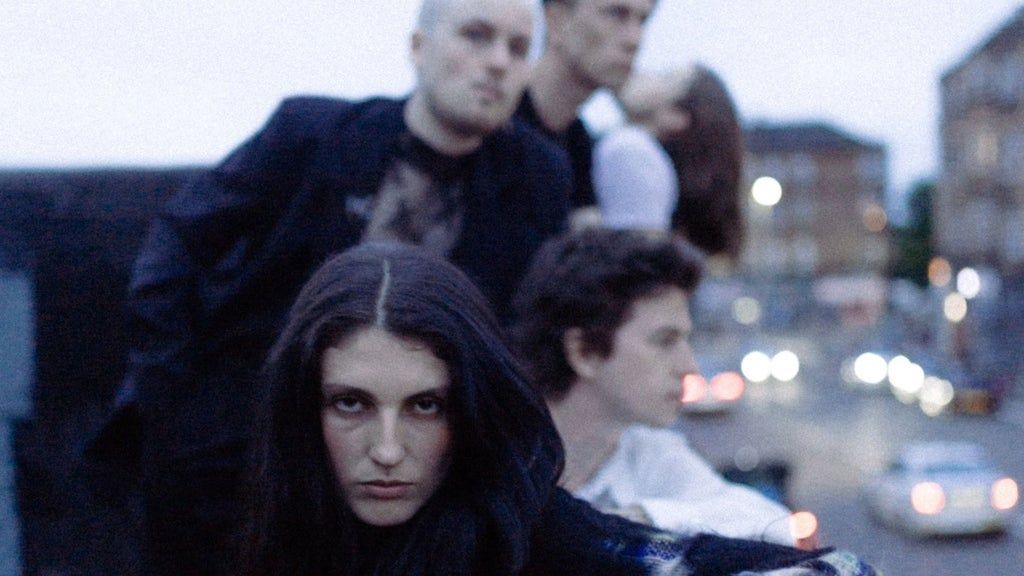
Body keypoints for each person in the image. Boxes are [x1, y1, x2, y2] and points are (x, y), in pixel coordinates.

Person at [91, 0, 573, 573]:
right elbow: (180, 241)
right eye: (476, 35)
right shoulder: (314, 134)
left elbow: (523, 330)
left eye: (518, 48)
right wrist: (173, 397)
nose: (497, 62)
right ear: (419, 48)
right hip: (235, 451)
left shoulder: (536, 175)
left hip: (409, 471)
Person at [240, 241, 874, 575]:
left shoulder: (529, 533)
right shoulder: (274, 527)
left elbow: (827, 565)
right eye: (351, 403)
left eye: (425, 406)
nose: (385, 449)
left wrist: (616, 522)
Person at [510, 229, 798, 545]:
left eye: (685, 340)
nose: (689, 367)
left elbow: (773, 525)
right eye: (665, 340)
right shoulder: (496, 467)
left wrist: (641, 520)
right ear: (584, 352)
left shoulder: (645, 452)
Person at [517, 0, 657, 212]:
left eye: (643, 20)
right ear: (556, 19)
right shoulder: (484, 129)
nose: (635, 40)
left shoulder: (581, 149)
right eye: (616, 14)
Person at [593, 64, 745, 258]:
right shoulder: (644, 154)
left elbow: (631, 261)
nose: (645, 72)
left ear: (676, 117)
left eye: (665, 77)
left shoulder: (631, 148)